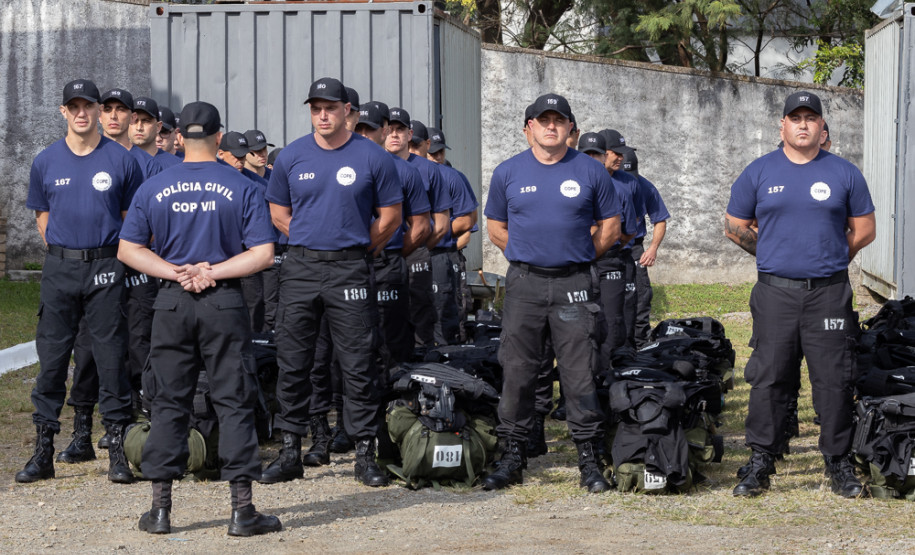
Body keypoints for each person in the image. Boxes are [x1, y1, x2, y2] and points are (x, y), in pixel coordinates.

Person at [118, 101, 281, 536]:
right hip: (222, 301)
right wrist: (212, 271)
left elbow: (128, 249)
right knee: (233, 399)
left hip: (171, 301)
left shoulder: (156, 184)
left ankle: (160, 510)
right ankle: (242, 511)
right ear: (218, 135)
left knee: (168, 401)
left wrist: (175, 271)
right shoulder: (241, 184)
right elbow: (263, 253)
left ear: (179, 137)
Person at [724, 91, 876, 498]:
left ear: (821, 127)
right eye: (796, 118)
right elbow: (734, 224)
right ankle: (761, 460)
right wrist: (773, 252)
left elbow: (864, 230)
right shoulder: (759, 172)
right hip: (776, 294)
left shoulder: (845, 173)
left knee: (834, 380)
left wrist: (829, 255)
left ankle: (838, 462)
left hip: (828, 294)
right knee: (769, 377)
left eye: (811, 118)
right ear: (783, 125)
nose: (803, 124)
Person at [263, 77, 402, 487]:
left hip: (351, 268)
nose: (322, 115)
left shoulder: (373, 157)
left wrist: (354, 247)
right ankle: (291, 448)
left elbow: (391, 218)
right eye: (315, 108)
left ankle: (364, 452)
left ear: (346, 111)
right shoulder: (291, 156)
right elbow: (278, 212)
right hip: (301, 268)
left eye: (330, 107)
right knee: (294, 360)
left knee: (358, 362)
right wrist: (311, 241)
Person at [483, 93, 621, 493]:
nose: (550, 126)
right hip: (524, 283)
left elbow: (610, 228)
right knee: (518, 371)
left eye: (558, 120)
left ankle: (590, 460)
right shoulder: (507, 172)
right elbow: (495, 228)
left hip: (574, 283)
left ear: (570, 129)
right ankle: (512, 455)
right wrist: (528, 256)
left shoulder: (591, 172)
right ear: (529, 129)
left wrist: (575, 258)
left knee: (579, 373)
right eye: (542, 120)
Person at [19, 79, 141, 484]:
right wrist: (65, 250)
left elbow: (132, 220)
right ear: (63, 112)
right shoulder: (45, 161)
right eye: (73, 106)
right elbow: (42, 217)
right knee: (52, 360)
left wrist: (102, 253)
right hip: (60, 269)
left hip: (106, 268)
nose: (81, 113)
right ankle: (43, 453)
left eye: (88, 105)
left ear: (98, 110)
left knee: (110, 358)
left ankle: (117, 454)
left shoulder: (121, 160)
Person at [384, 107, 450, 348]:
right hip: (379, 255)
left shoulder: (430, 170)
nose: (394, 134)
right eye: (389, 129)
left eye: (399, 129)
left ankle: (420, 367)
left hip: (416, 253)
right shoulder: (371, 164)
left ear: (409, 134)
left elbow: (441, 224)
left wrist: (415, 248)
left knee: (420, 311)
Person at [621, 148, 670, 347]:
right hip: (608, 249)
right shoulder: (603, 183)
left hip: (635, 248)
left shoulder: (645, 187)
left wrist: (652, 249)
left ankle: (640, 344)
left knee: (641, 297)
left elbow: (660, 220)